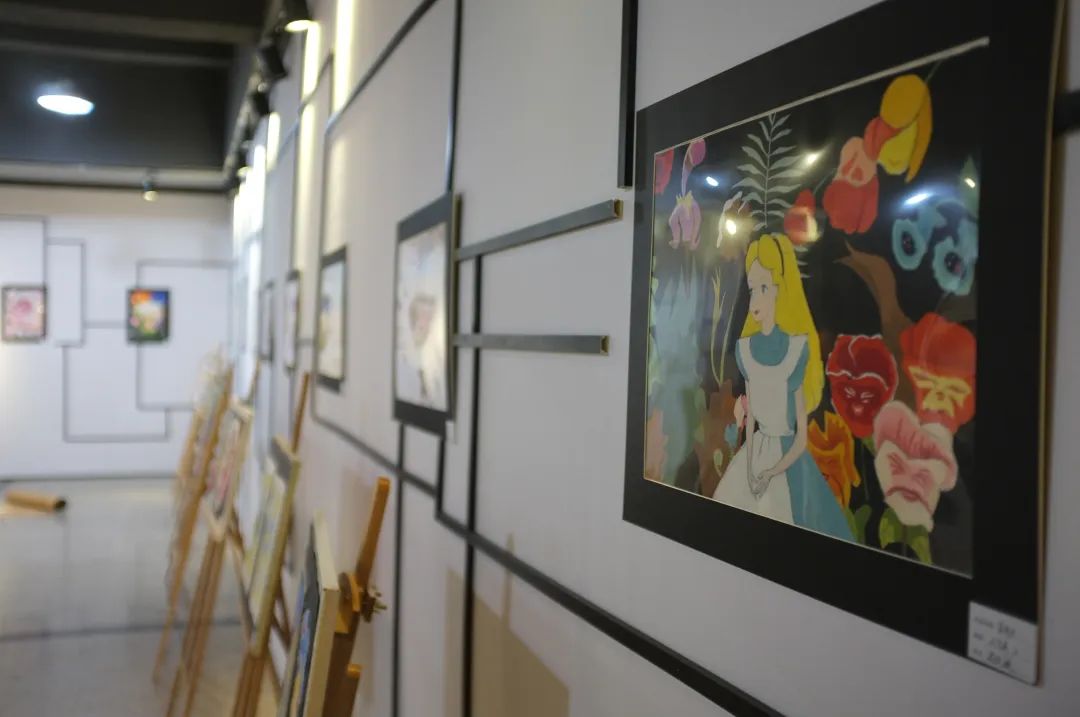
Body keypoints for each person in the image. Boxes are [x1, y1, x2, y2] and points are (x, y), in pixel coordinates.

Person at [712, 233, 852, 541]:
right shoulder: (746, 350)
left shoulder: (795, 351)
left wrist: (771, 472)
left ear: (781, 289)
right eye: (753, 289)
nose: (756, 299)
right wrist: (751, 467)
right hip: (754, 456)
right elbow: (751, 420)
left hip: (786, 459)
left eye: (764, 288)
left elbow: (800, 437)